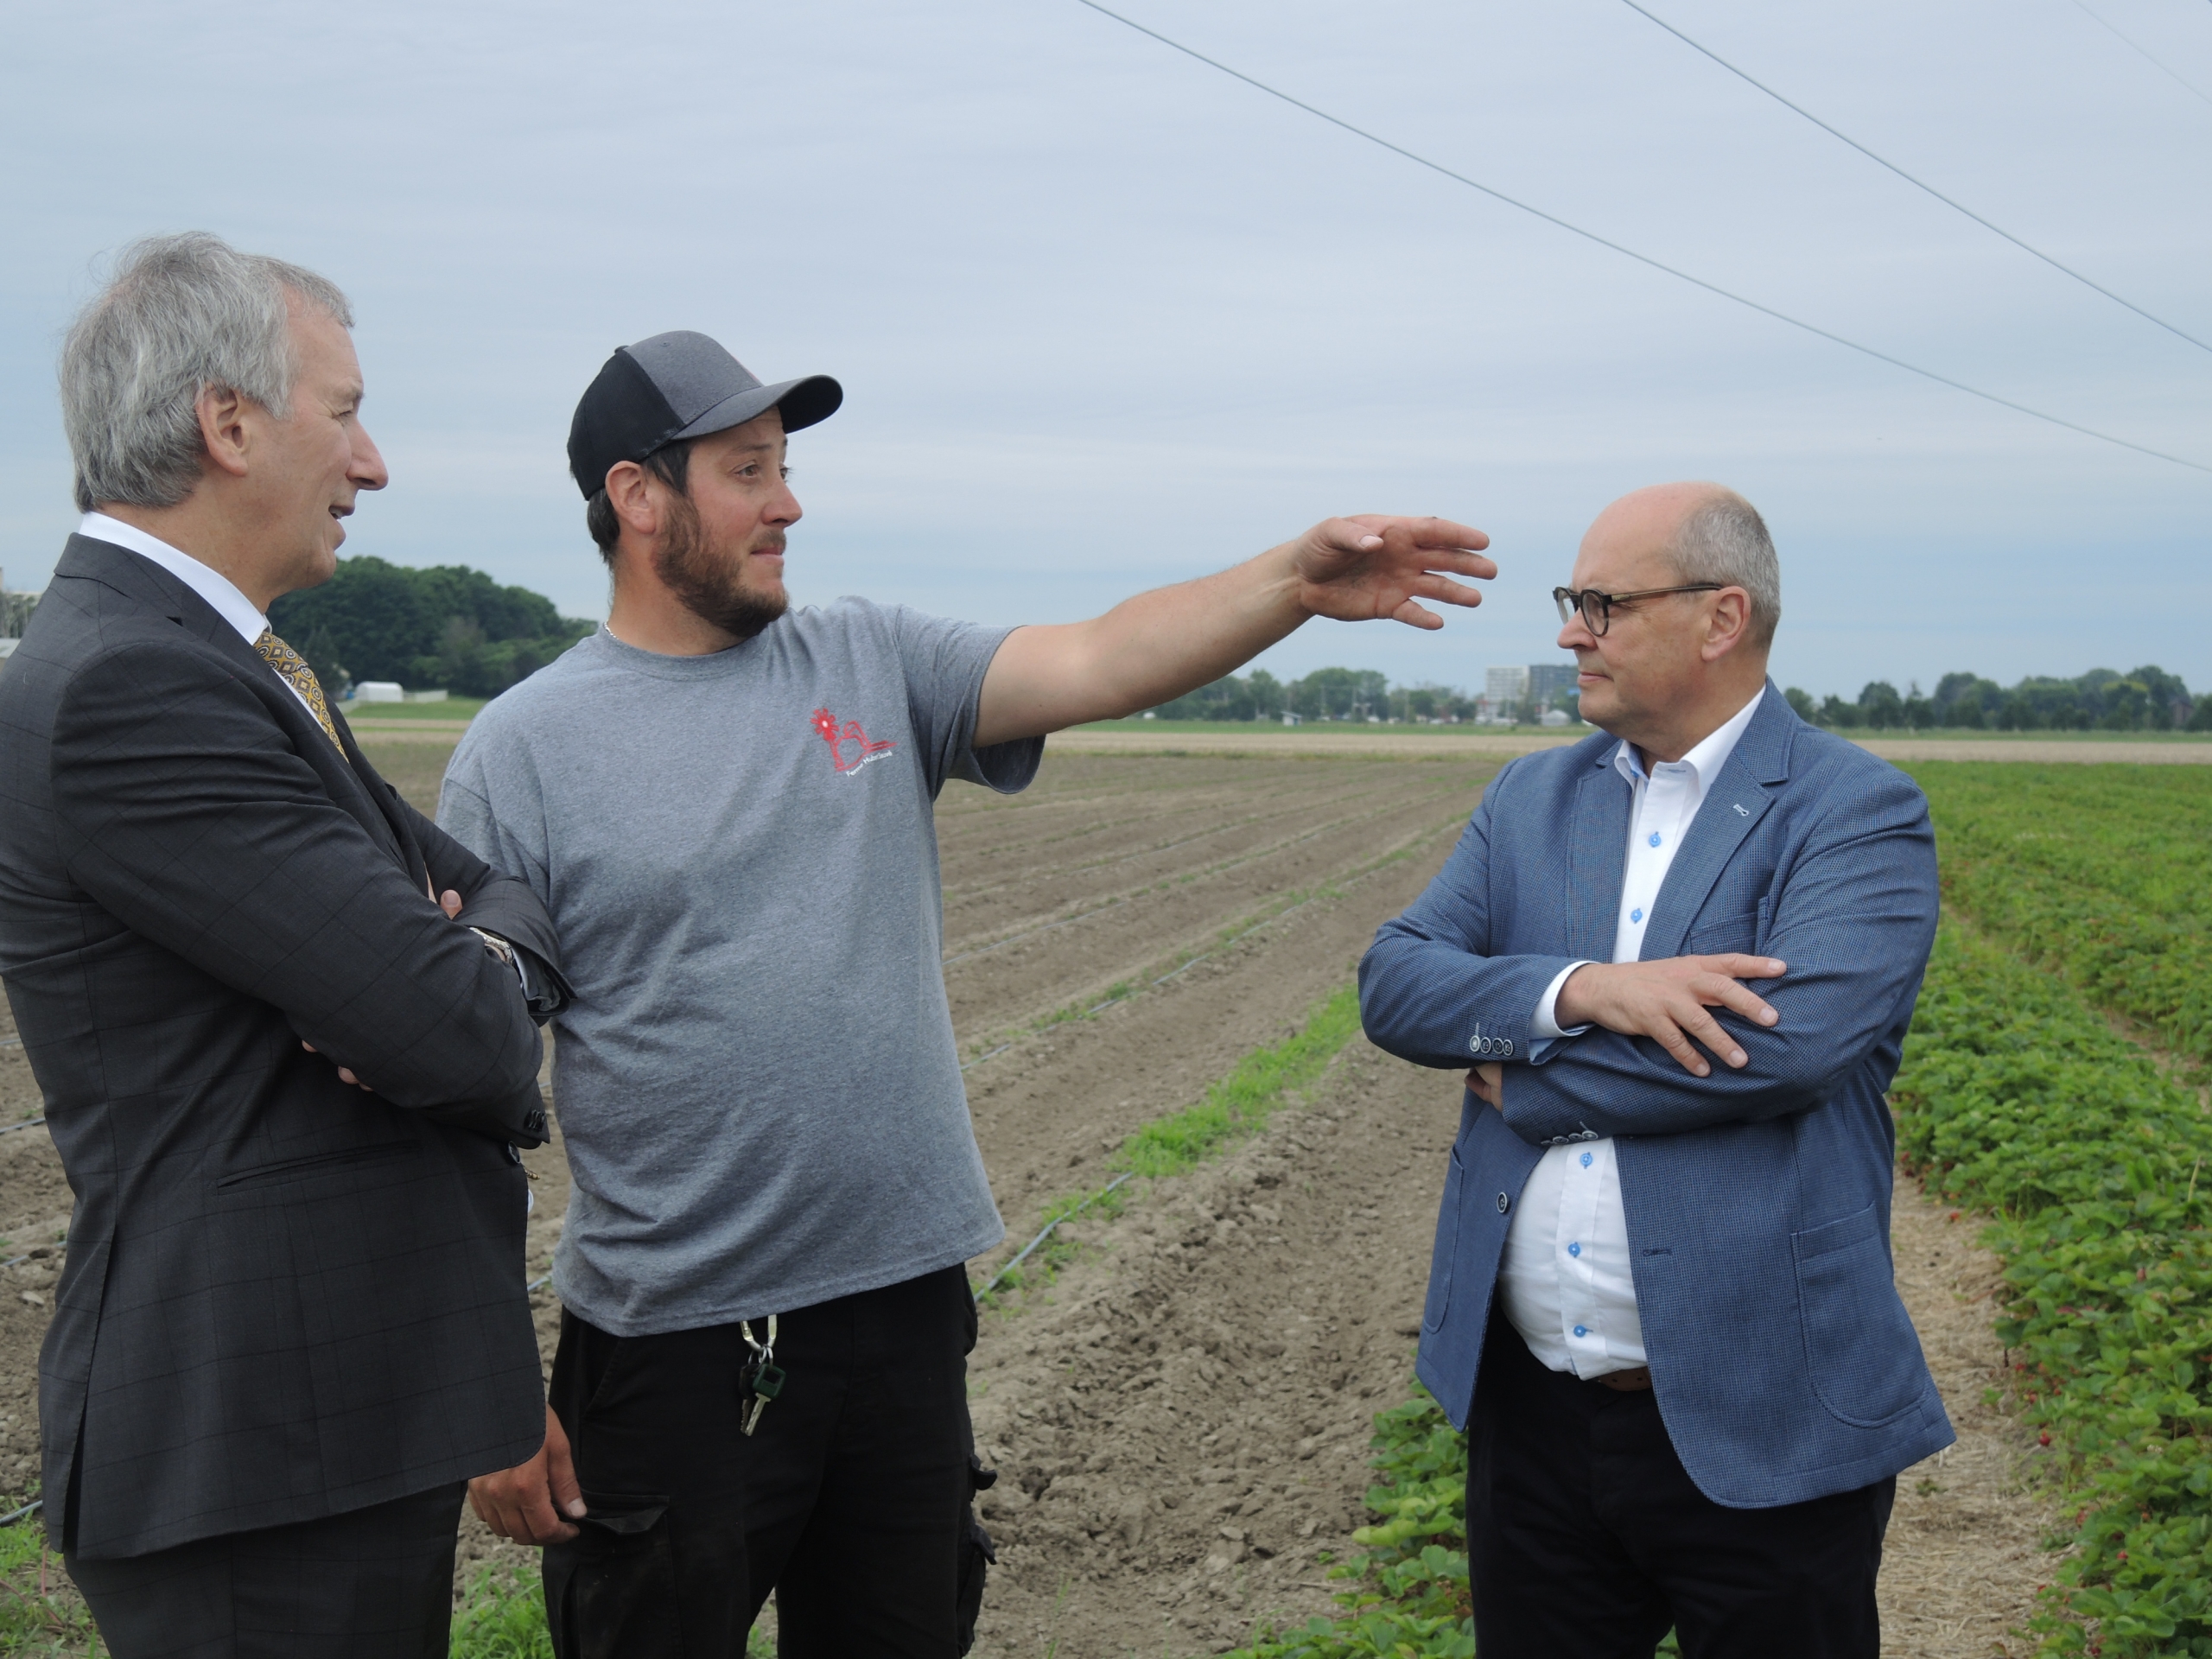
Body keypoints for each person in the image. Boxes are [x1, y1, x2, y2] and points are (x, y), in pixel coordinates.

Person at [439, 328, 1495, 1656]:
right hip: (676, 1349)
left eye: (786, 466)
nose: (789, 502)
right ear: (639, 499)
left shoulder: (867, 660)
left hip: (899, 1315)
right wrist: (481, 1378)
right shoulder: (523, 752)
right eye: (748, 470)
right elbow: (467, 1089)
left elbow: (1103, 656)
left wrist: (1292, 579)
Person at [0, 232, 569, 1658]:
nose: (372, 463)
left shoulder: (210, 661)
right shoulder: (140, 683)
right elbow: (453, 1031)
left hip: (307, 1430)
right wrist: (465, 983)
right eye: (347, 411)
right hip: (259, 1447)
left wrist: (469, 958)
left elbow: (492, 899)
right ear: (229, 422)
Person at [1358, 483, 1951, 1658]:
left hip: (1764, 1409)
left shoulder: (1854, 811)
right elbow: (1397, 981)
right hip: (1533, 1416)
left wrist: (1524, 1080)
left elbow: (1783, 1051)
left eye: (1602, 605)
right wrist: (1581, 991)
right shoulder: (1533, 796)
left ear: (1721, 618)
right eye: (1572, 603)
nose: (1571, 631)